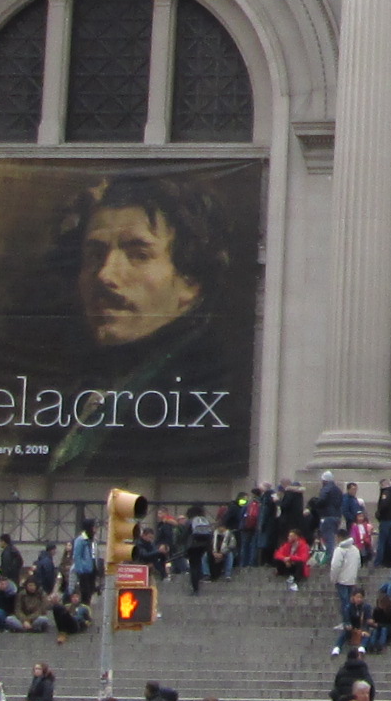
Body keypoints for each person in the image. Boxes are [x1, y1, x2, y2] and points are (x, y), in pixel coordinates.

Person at [45, 172, 245, 479]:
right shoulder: (72, 393)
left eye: (138, 255)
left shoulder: (214, 396)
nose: (105, 275)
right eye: (95, 255)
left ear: (191, 280)